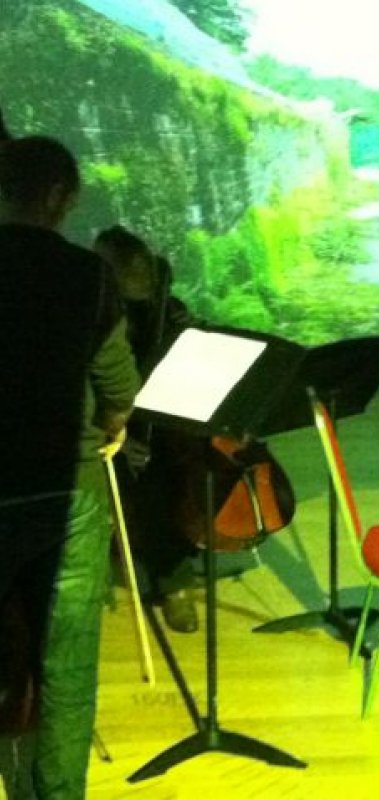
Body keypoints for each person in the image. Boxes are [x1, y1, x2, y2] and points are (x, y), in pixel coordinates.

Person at [0, 137, 139, 798]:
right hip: (67, 492)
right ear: (57, 196)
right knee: (66, 667)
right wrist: (111, 427)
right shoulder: (89, 276)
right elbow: (118, 389)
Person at [93, 225, 201, 633]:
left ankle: (175, 571)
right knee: (140, 480)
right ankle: (164, 579)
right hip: (105, 426)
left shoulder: (169, 308)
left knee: (163, 477)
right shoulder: (92, 311)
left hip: (164, 425)